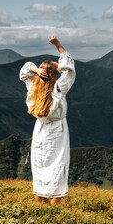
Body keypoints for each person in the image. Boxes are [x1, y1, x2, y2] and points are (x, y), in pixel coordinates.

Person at [19, 35, 75, 205]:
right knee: (57, 165)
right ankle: (56, 206)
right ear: (54, 75)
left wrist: (36, 71)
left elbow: (24, 70)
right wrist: (58, 45)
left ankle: (40, 203)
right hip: (57, 130)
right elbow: (69, 68)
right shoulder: (58, 88)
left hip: (40, 129)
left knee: (40, 166)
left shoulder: (32, 87)